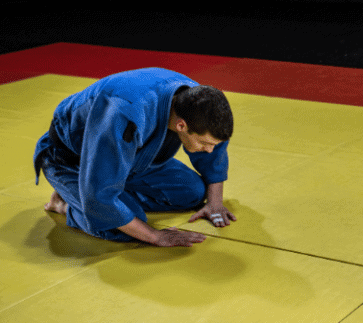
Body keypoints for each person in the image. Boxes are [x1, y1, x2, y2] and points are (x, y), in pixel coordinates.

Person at [34, 67, 236, 247]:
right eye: (204, 144)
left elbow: (215, 145)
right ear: (181, 125)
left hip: (131, 159)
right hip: (71, 159)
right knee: (116, 224)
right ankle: (65, 204)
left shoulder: (197, 102)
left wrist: (215, 203)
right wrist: (156, 236)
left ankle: (98, 193)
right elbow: (100, 195)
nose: (209, 150)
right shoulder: (125, 113)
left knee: (193, 192)